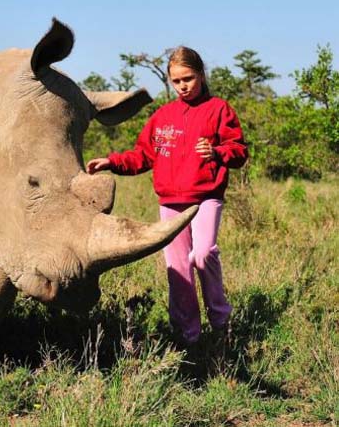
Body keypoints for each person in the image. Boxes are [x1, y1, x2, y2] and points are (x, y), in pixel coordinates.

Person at [86, 46, 248, 345]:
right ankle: (189, 336)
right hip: (171, 201)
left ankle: (220, 321)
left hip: (205, 196)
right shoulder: (164, 116)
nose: (183, 86)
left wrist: (217, 152)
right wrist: (113, 161)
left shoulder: (219, 109)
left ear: (200, 74)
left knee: (203, 254)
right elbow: (143, 156)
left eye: (188, 78)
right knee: (177, 267)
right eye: (176, 81)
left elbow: (239, 151)